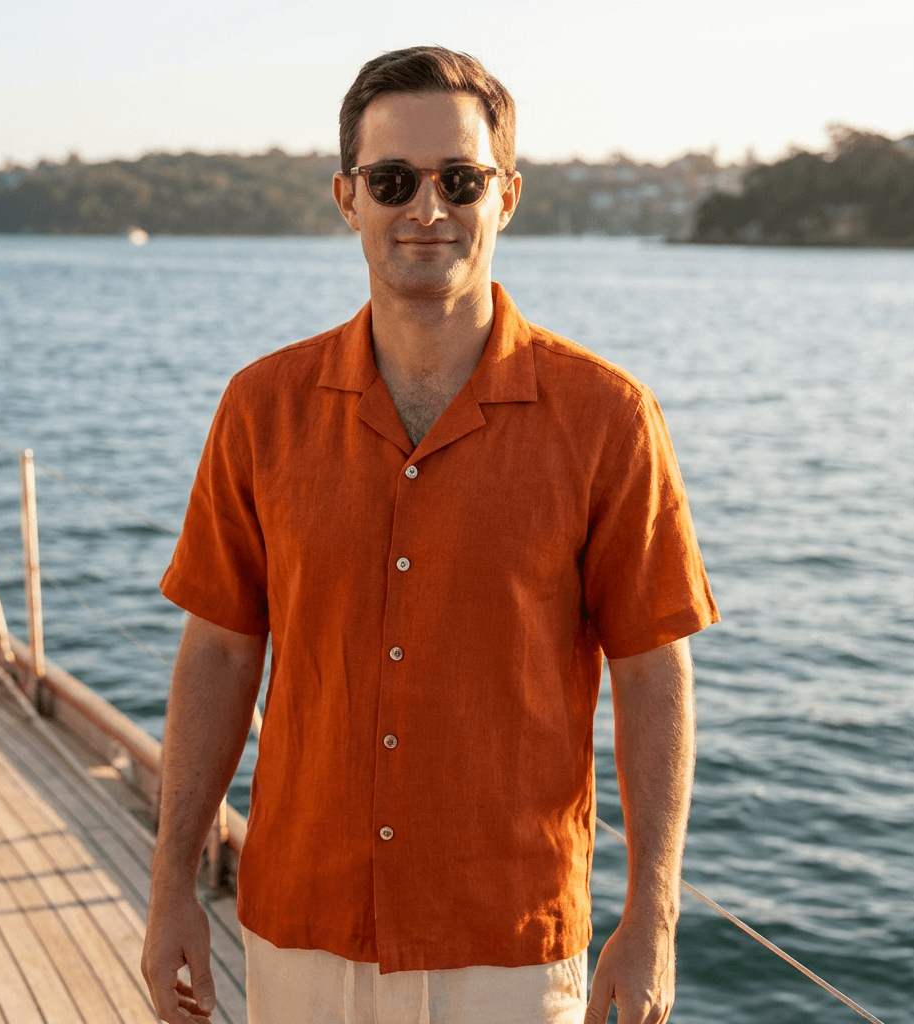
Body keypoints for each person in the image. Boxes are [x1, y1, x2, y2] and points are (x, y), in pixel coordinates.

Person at [141, 45, 718, 1024]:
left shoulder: (608, 417)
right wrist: (170, 888)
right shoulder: (260, 409)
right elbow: (220, 652)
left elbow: (652, 670)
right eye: (392, 180)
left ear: (507, 196)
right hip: (298, 929)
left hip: (509, 948)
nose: (426, 208)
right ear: (346, 197)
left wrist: (652, 914)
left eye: (459, 179)